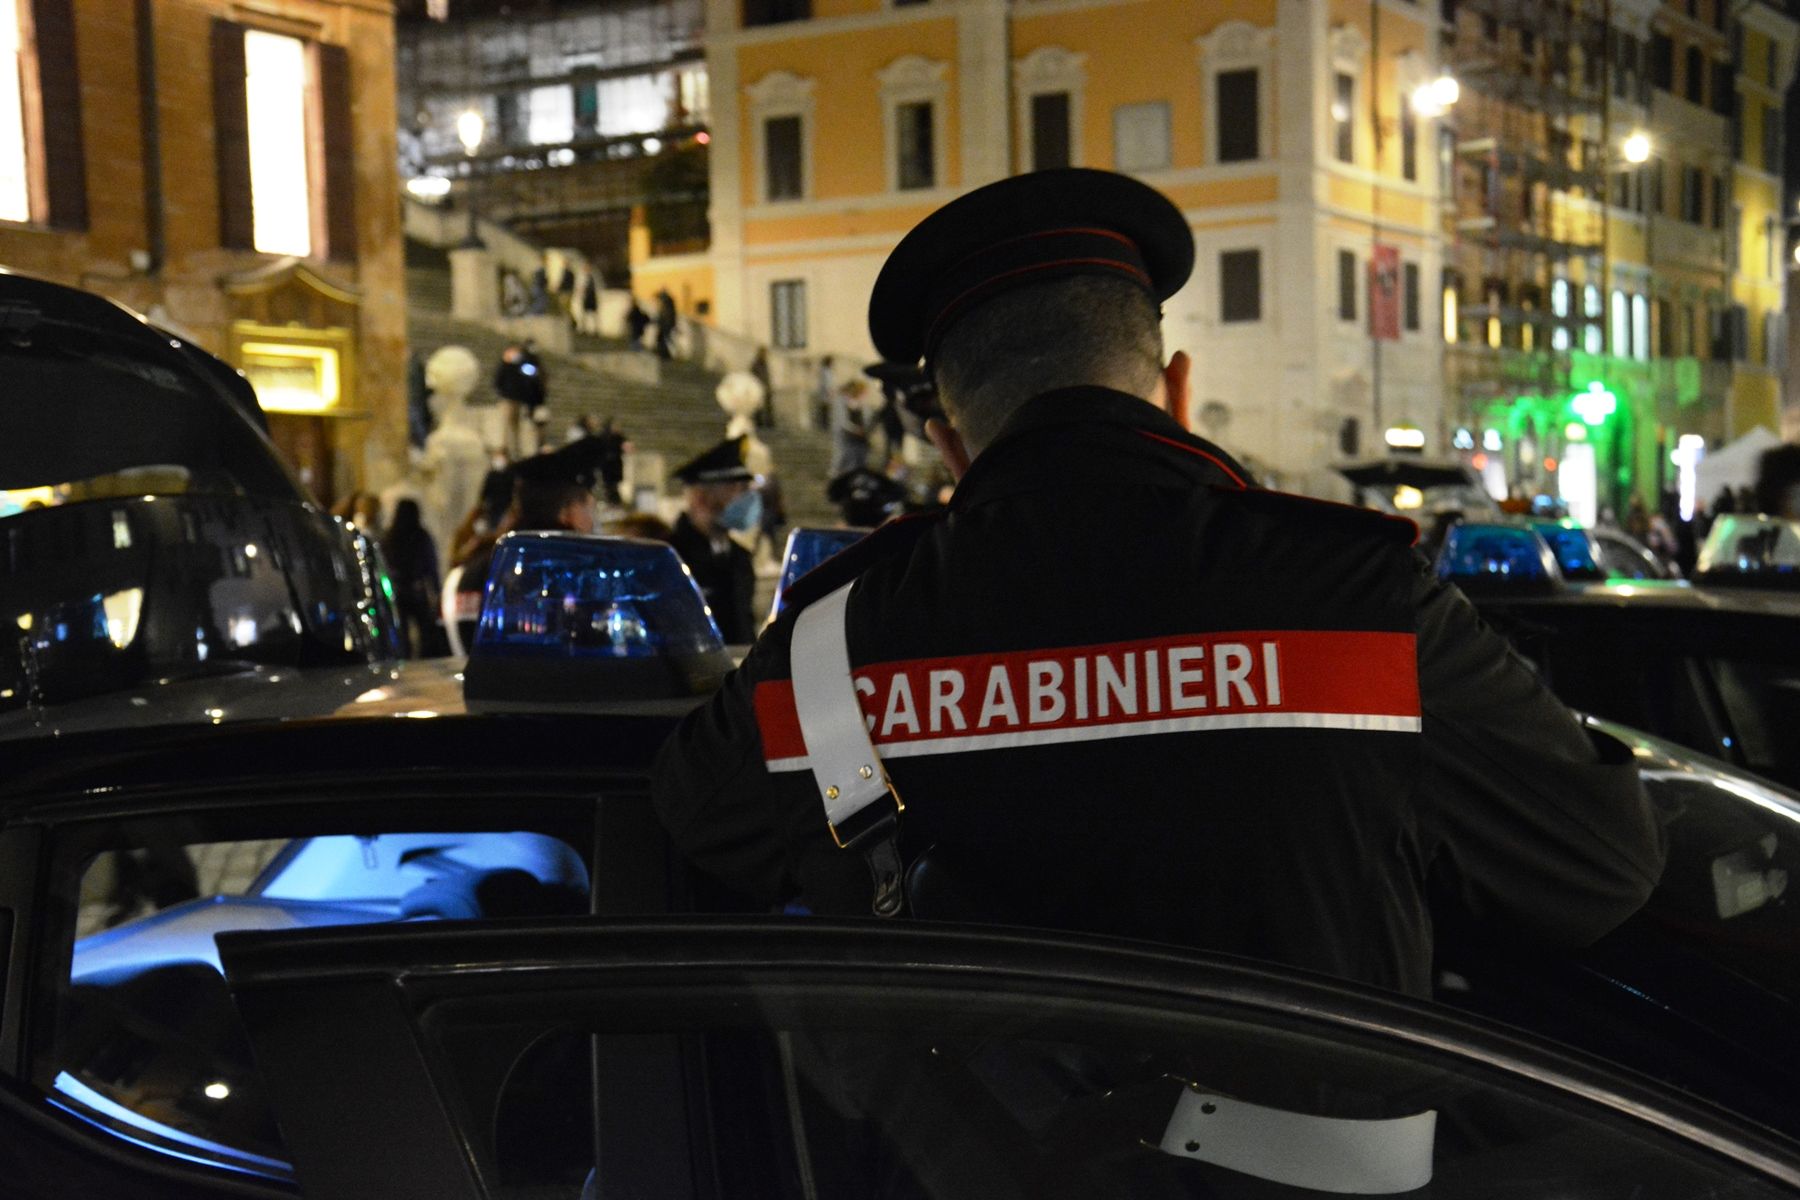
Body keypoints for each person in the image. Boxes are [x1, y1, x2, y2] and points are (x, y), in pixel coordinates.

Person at [651, 168, 1664, 1000]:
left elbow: (690, 836)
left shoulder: (824, 655)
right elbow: (1600, 870)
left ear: (949, 443)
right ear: (1177, 390)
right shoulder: (1363, 605)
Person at [451, 438, 607, 648]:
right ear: (567, 513)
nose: (592, 521)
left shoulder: (479, 567)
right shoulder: (578, 572)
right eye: (589, 509)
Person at [666, 437, 760, 645]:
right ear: (701, 497)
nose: (747, 499)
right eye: (737, 489)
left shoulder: (739, 556)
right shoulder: (670, 556)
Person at [381, 498, 444, 658]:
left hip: (397, 590)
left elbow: (383, 566)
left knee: (401, 630)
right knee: (425, 630)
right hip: (417, 590)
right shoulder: (421, 536)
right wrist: (437, 591)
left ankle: (404, 657)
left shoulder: (389, 537)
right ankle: (425, 657)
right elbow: (431, 566)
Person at [494, 341, 548, 457]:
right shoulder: (506, 364)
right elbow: (499, 379)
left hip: (519, 398)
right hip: (508, 397)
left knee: (517, 425)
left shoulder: (522, 363)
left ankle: (516, 448)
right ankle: (505, 448)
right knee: (507, 424)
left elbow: (530, 375)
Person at [595, 417, 629, 505]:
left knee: (614, 485)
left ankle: (615, 502)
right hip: (607, 464)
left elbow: (626, 447)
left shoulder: (619, 437)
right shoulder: (604, 436)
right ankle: (612, 501)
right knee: (609, 485)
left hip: (616, 464)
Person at [750, 346, 774, 428]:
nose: (765, 355)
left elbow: (766, 376)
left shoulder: (765, 363)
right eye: (763, 353)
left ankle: (769, 422)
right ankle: (759, 422)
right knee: (759, 406)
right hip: (758, 387)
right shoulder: (756, 364)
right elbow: (753, 376)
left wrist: (768, 386)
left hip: (765, 387)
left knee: (768, 406)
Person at [654, 288, 678, 359]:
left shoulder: (666, 304)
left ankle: (665, 354)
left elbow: (664, 316)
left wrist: (660, 321)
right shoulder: (668, 304)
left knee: (664, 339)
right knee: (664, 339)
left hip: (665, 324)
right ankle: (664, 354)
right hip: (666, 324)